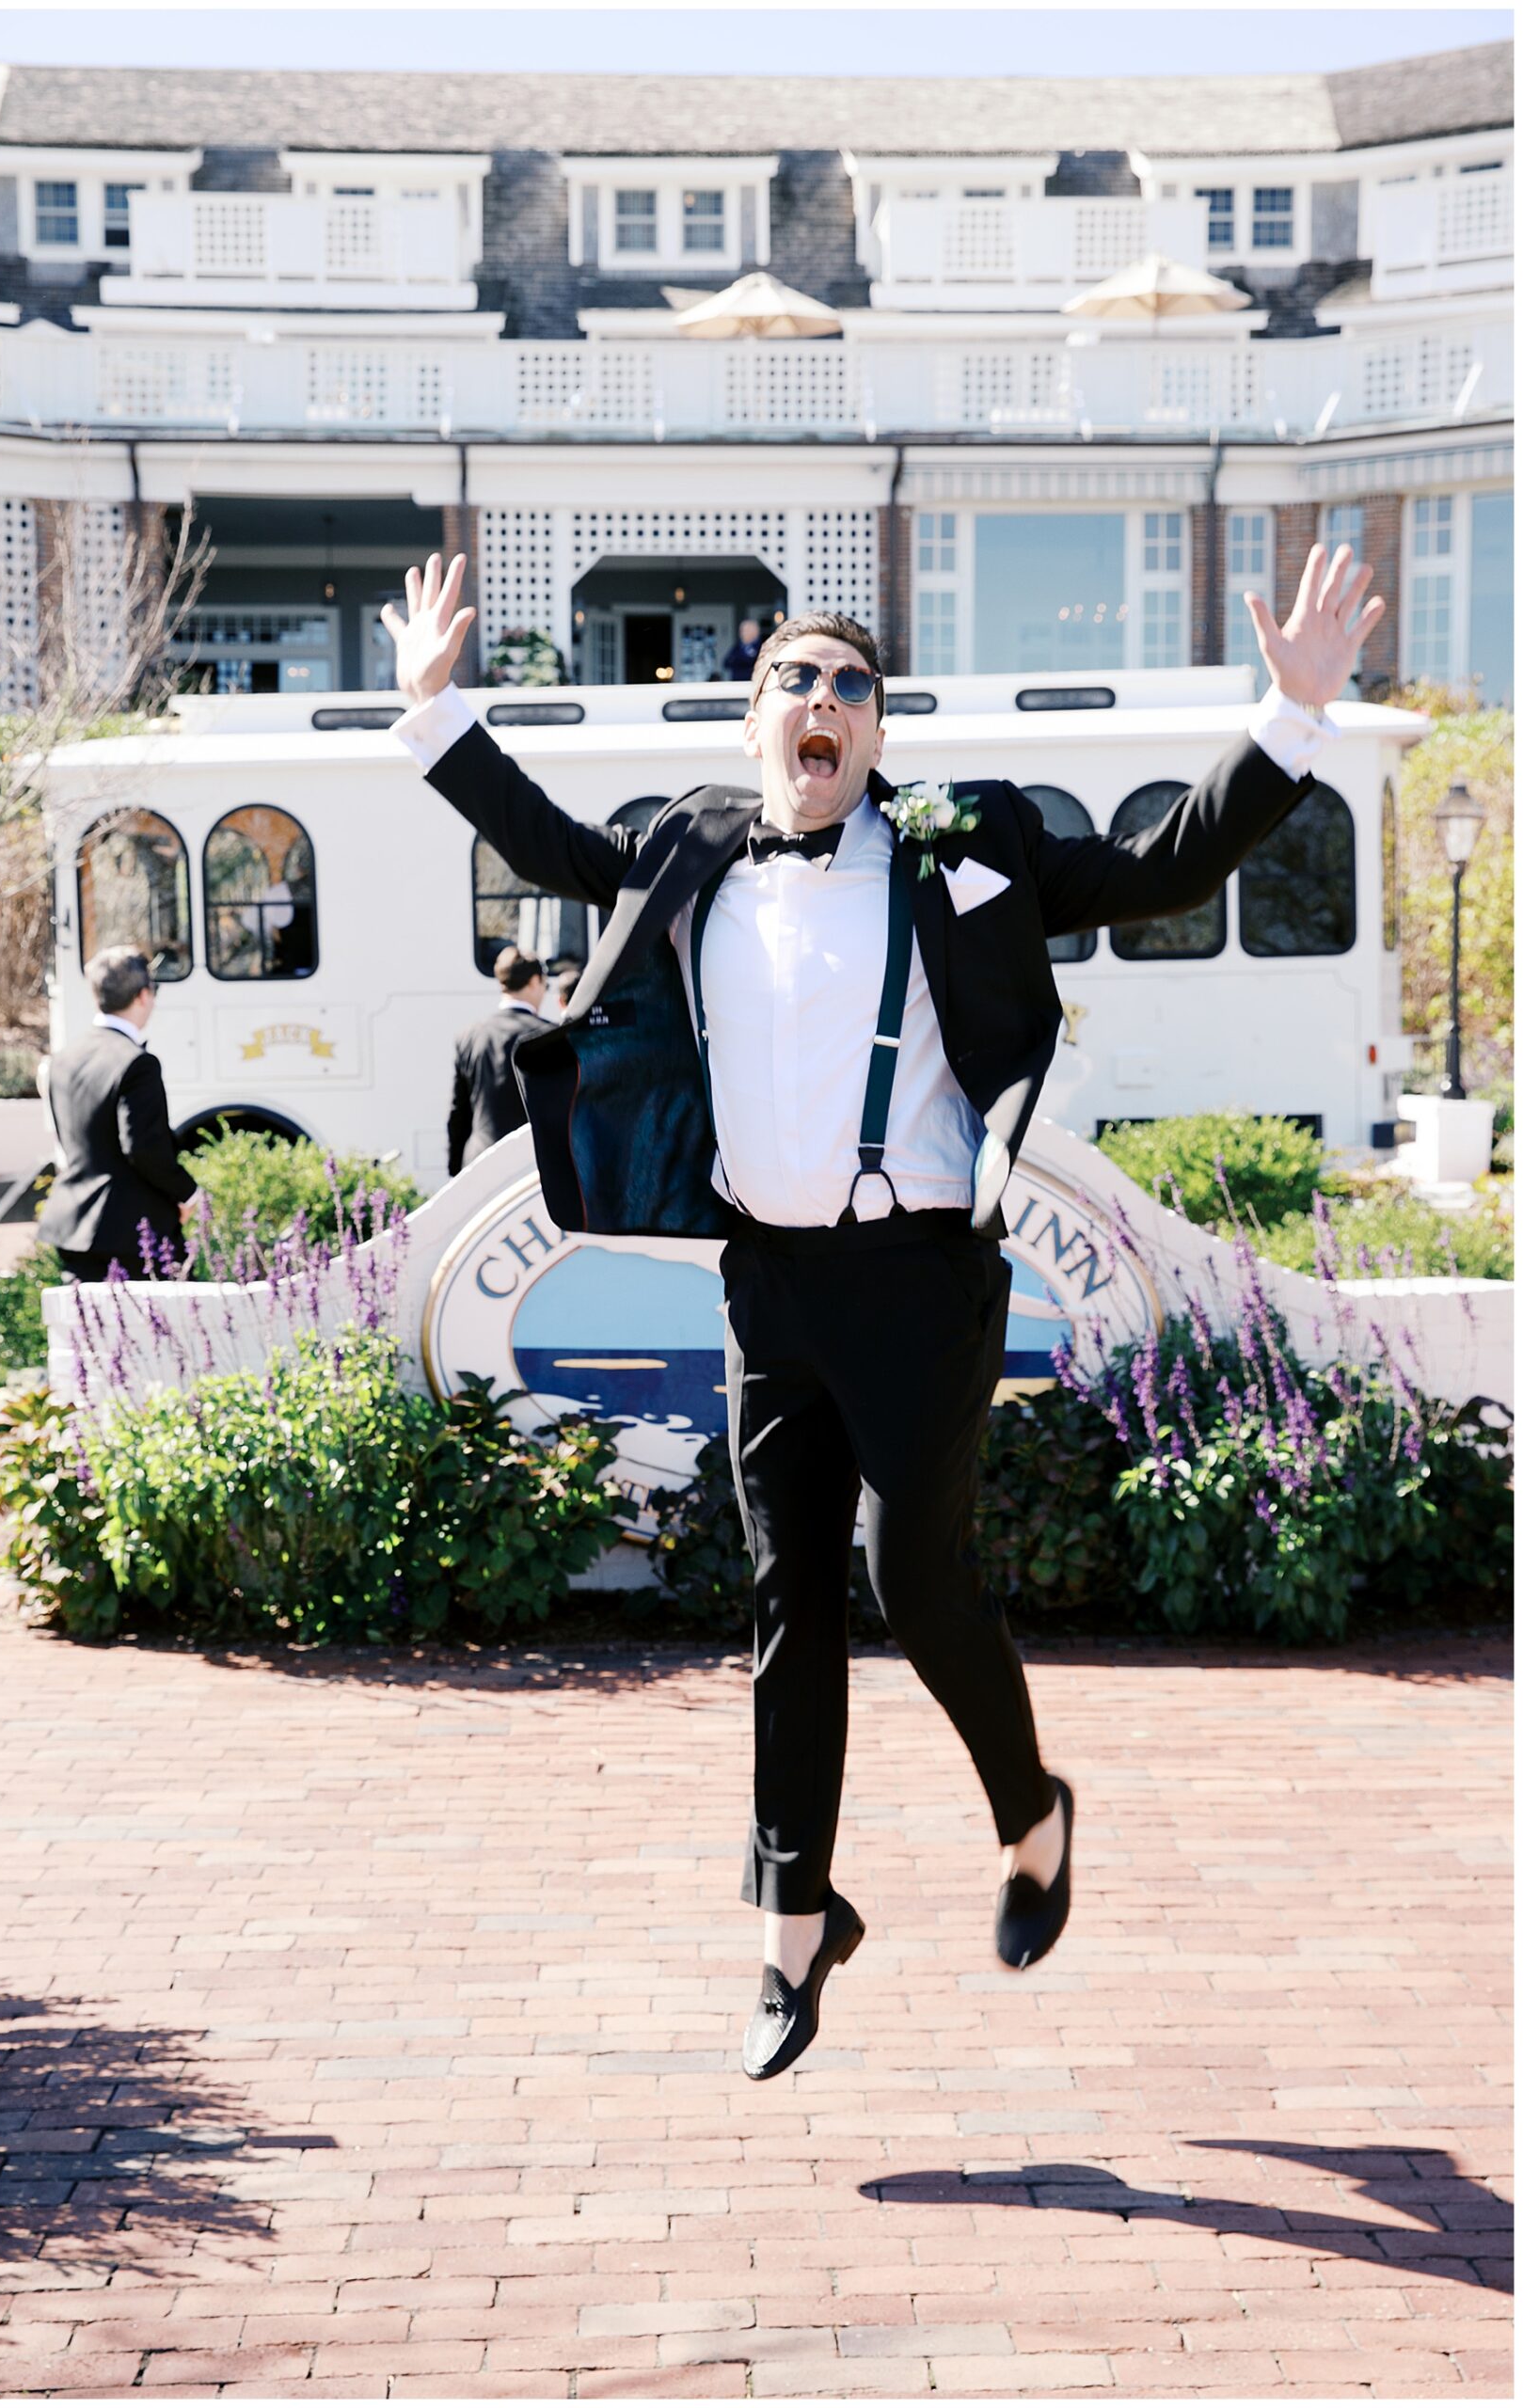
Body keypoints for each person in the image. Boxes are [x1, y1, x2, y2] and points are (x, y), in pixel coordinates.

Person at [382, 544, 1383, 2080]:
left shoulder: (953, 840)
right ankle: (794, 1929)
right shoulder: (695, 850)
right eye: (798, 678)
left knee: (911, 1582)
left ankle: (1029, 1809)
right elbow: (552, 842)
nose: (826, 701)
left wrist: (1287, 722)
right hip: (766, 1283)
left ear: (876, 733)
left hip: (921, 1280)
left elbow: (1161, 868)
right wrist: (437, 712)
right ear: (753, 720)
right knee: (790, 1601)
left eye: (854, 685)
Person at [37, 945, 197, 1282]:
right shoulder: (137, 1063)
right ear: (143, 995)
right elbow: (144, 1148)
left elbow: (69, 1140)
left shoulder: (62, 1059)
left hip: (73, 1228)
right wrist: (188, 1193)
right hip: (132, 1233)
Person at [447, 943, 548, 1178]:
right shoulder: (548, 1036)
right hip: (532, 1164)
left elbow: (458, 1111)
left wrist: (456, 1172)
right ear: (535, 981)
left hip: (479, 1161)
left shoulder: (469, 1036)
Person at [722, 617, 763, 683]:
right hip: (737, 684)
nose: (742, 633)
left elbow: (752, 662)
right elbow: (726, 662)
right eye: (742, 630)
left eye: (745, 630)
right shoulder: (737, 647)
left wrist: (738, 661)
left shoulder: (762, 647)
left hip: (753, 684)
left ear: (754, 631)